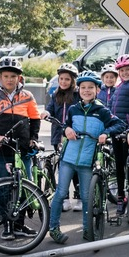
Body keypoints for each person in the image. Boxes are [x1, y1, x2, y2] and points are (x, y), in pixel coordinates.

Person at [48, 70, 127, 243]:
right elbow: (65, 125)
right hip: (68, 158)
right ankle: (53, 228)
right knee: (60, 193)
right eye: (83, 87)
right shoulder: (73, 109)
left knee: (86, 197)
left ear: (97, 90)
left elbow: (120, 124)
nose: (86, 90)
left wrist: (106, 133)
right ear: (79, 90)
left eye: (90, 87)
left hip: (87, 161)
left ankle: (87, 229)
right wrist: (66, 129)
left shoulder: (102, 111)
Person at [0, 56, 43, 240]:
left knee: (24, 186)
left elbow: (35, 119)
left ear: (19, 78)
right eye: (6, 76)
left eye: (13, 76)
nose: (9, 79)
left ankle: (20, 225)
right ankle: (7, 226)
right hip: (2, 151)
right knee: (5, 188)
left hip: (22, 149)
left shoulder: (27, 96)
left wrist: (33, 139)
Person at [47, 63, 80, 211]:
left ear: (72, 80)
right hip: (59, 137)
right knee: (62, 168)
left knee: (76, 167)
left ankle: (79, 197)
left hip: (74, 136)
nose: (64, 82)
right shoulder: (55, 95)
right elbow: (49, 109)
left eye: (67, 79)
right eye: (61, 79)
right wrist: (46, 113)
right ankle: (64, 198)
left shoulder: (77, 95)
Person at [108, 54, 129, 215]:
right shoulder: (118, 87)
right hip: (117, 130)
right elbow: (110, 108)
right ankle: (121, 195)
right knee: (119, 164)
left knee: (127, 163)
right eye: (122, 70)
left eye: (128, 69)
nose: (125, 72)